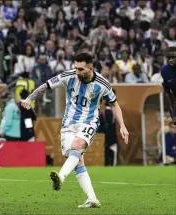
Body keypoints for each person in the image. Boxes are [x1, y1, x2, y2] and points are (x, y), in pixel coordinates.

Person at [21, 49, 129, 208]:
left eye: (81, 69)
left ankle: (61, 177)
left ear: (90, 69)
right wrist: (30, 98)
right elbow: (46, 86)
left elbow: (115, 105)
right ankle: (92, 198)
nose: (77, 72)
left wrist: (123, 126)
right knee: (77, 160)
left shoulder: (102, 84)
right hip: (68, 125)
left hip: (89, 122)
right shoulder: (69, 76)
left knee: (77, 146)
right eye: (76, 68)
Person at [161, 47, 176, 126]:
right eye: (168, 58)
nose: (170, 60)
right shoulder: (165, 71)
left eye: (173, 57)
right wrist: (172, 113)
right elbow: (166, 92)